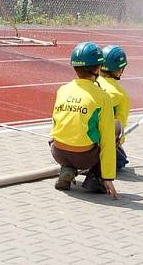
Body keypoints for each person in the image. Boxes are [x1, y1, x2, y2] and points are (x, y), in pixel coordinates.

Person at [51, 41, 119, 199]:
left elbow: (56, 123)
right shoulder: (102, 97)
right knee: (115, 128)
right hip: (84, 157)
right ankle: (95, 177)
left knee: (70, 126)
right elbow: (108, 139)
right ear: (98, 68)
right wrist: (107, 176)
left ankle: (67, 168)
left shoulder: (63, 89)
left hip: (58, 152)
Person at [98, 45, 131, 170]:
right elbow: (119, 127)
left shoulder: (90, 83)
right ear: (120, 70)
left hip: (70, 143)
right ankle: (96, 172)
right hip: (99, 144)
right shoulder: (121, 95)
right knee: (121, 160)